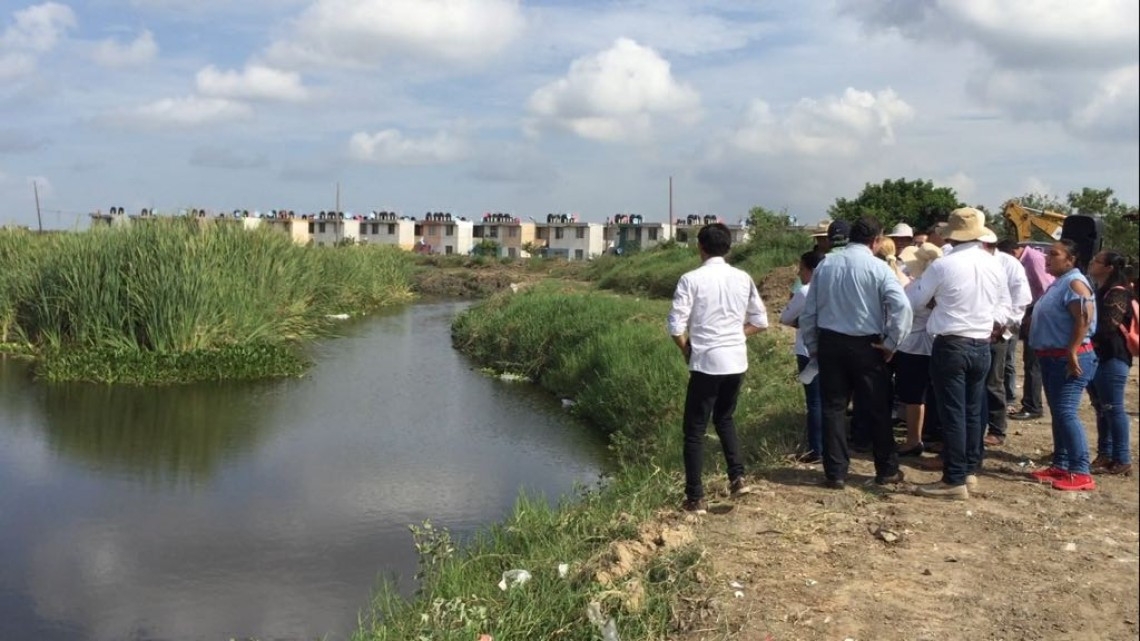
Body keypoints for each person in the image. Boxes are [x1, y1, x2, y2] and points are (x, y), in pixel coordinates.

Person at [800, 217, 913, 489]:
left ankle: (835, 472)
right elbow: (903, 308)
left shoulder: (825, 264)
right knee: (877, 407)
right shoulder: (878, 268)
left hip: (830, 343)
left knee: (834, 408)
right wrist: (891, 343)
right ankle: (886, 470)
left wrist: (813, 346)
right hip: (867, 345)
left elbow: (809, 312)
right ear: (876, 241)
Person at [906, 208, 1010, 500]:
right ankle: (969, 469)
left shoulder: (944, 265)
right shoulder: (995, 264)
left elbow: (914, 301)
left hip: (952, 342)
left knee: (953, 411)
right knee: (973, 409)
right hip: (981, 342)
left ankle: (953, 478)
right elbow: (1004, 305)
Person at [667, 223, 768, 513]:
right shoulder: (743, 278)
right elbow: (760, 321)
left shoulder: (691, 279)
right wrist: (736, 334)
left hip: (706, 362)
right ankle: (738, 477)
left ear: (700, 247)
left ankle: (695, 497)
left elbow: (675, 324)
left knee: (695, 430)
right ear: (729, 247)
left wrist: (687, 348)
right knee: (725, 418)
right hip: (736, 360)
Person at [1028, 239, 1098, 491]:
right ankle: (1061, 464)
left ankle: (1081, 471)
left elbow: (1084, 318)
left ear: (1071, 260)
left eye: (1054, 255)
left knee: (1066, 412)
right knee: (1059, 412)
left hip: (1069, 359)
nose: (1047, 258)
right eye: (1047, 254)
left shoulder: (1074, 283)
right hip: (1052, 357)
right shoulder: (1060, 282)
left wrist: (1072, 350)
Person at [1086, 251, 1133, 477]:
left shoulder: (1118, 293)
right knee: (1101, 408)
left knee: (1114, 408)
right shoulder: (1099, 291)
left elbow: (1107, 326)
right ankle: (1105, 454)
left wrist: (1083, 337)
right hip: (1098, 356)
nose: (1092, 263)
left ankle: (1122, 457)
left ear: (1109, 268)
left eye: (1096, 261)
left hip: (1113, 356)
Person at [894, 243, 943, 456]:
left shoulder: (919, 287)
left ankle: (914, 439)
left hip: (914, 345)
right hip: (929, 343)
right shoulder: (934, 287)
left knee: (914, 395)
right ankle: (926, 435)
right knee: (927, 394)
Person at [982, 239, 1031, 446]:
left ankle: (997, 428)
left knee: (994, 381)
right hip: (972, 331)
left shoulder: (1009, 264)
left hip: (997, 332)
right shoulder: (971, 262)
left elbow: (1021, 300)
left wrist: (1004, 327)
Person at [780, 251, 825, 463]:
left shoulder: (806, 292)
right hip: (834, 350)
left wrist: (800, 323)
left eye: (802, 269)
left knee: (814, 402)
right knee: (832, 401)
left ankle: (817, 450)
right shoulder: (835, 289)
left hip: (808, 352)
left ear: (811, 270)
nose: (799, 274)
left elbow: (785, 317)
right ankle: (832, 447)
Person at [1009, 242, 1055, 420]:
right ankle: (1031, 403)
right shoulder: (1027, 260)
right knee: (1030, 361)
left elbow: (1046, 290)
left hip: (1038, 312)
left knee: (1033, 362)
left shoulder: (1033, 259)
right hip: (1035, 309)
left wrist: (1033, 315)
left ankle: (1033, 405)